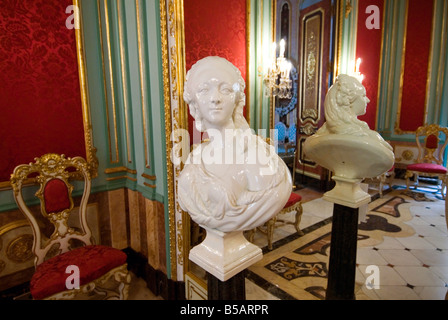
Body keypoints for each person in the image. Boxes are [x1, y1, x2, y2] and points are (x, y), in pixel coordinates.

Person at [178, 56, 292, 233]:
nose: (215, 98)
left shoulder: (257, 157)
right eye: (204, 90)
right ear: (194, 104)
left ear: (237, 99)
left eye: (225, 90)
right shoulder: (197, 157)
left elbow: (270, 194)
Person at [316, 74, 393, 151]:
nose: (368, 100)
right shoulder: (360, 137)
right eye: (363, 95)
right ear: (349, 100)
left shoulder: (362, 133)